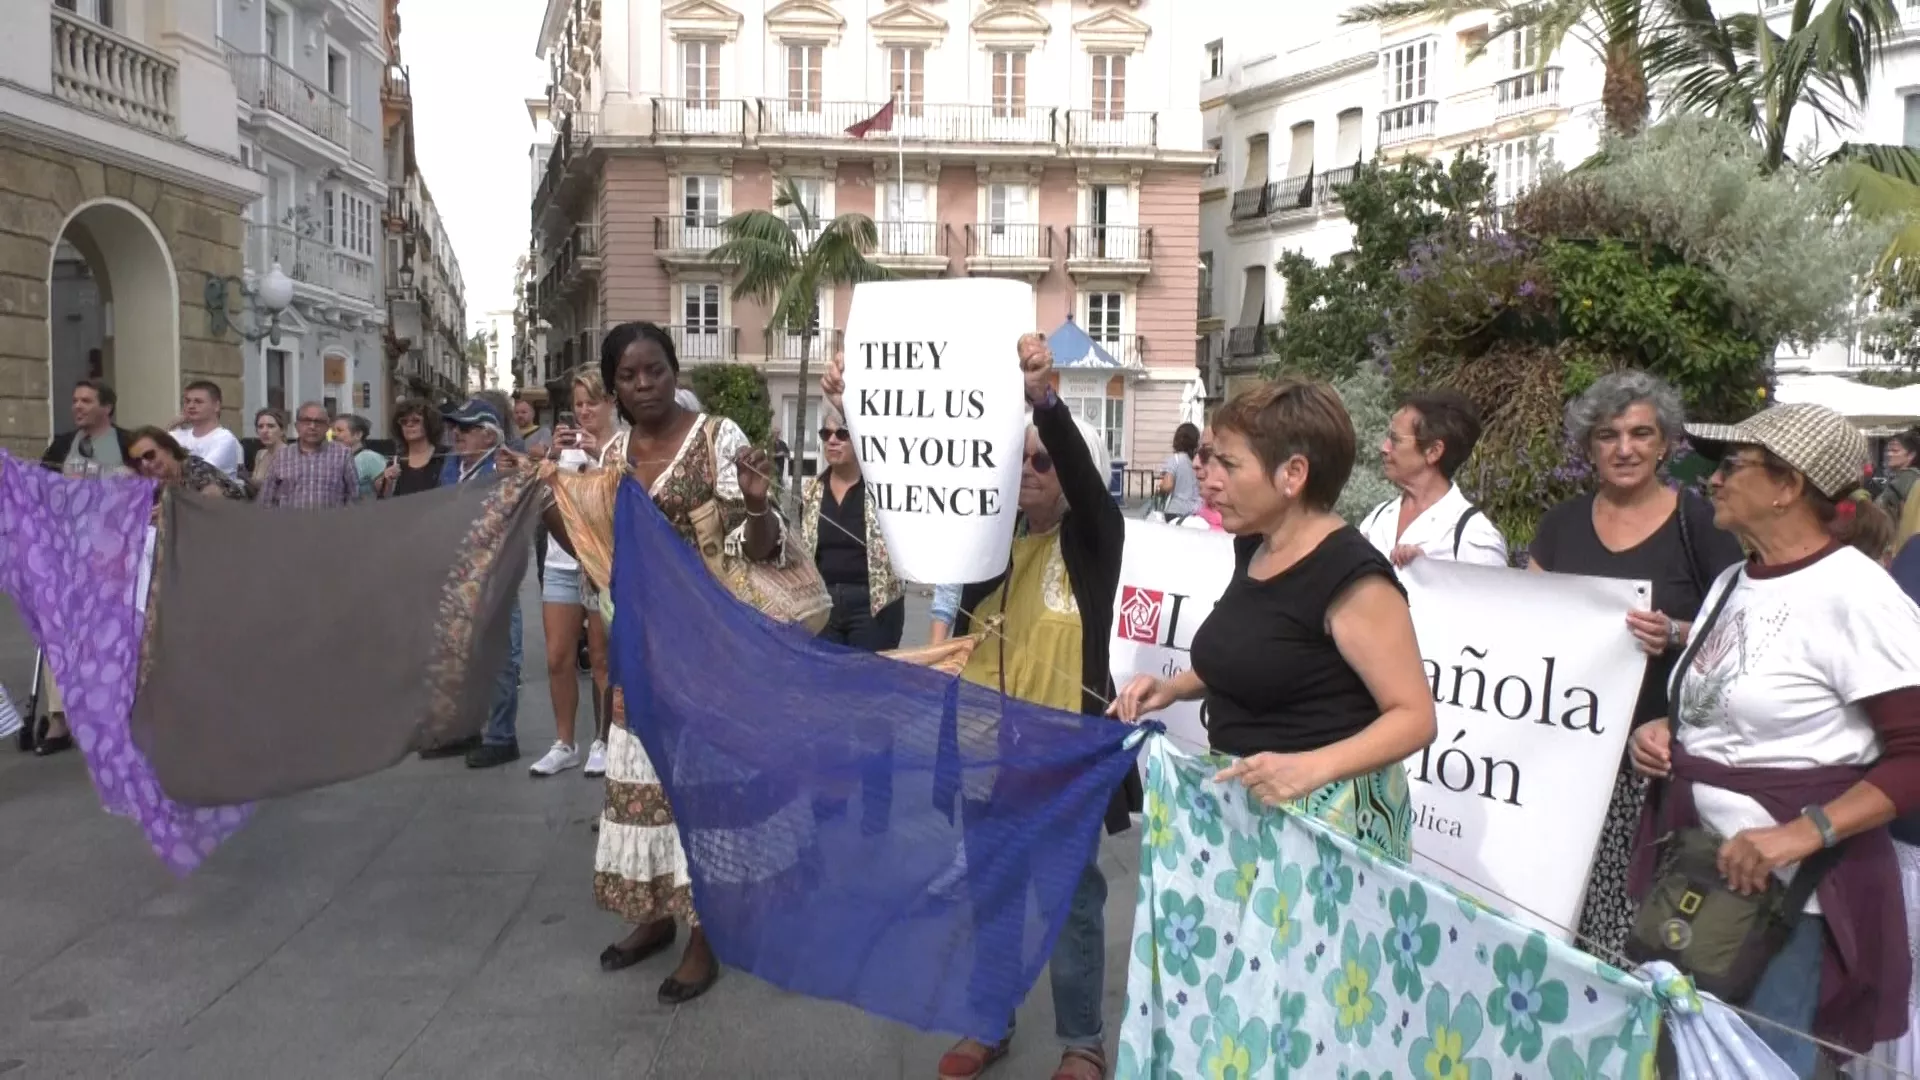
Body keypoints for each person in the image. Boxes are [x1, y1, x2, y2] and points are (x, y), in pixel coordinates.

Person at [1108, 378, 1437, 1072]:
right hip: (1258, 820)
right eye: (1208, 459)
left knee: (1307, 1028)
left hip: (1327, 837)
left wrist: (1307, 766)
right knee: (1248, 1017)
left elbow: (1415, 718)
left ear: (1293, 474)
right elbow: (1259, 655)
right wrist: (1173, 686)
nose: (1209, 476)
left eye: (1227, 463)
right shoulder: (1252, 548)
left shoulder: (1353, 575)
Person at [847, 332, 1134, 1080]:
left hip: (1063, 762)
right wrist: (858, 405)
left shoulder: (1096, 542)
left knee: (1071, 903)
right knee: (993, 896)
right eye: (1020, 459)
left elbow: (1073, 465)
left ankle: (1082, 1042)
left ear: (1072, 479)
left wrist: (1045, 399)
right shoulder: (985, 543)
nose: (1029, 471)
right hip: (983, 756)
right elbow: (917, 489)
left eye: (1042, 462)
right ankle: (989, 1022)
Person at [1629, 402, 1920, 1075]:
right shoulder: (1735, 581)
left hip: (1796, 903)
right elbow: (1724, 703)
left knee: (1761, 1062)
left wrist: (1801, 833)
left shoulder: (1855, 595)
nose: (1714, 480)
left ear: (1789, 486)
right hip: (1705, 880)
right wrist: (1665, 730)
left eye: (1732, 465)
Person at [546, 322, 779, 1005]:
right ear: (613, 389)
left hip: (713, 654)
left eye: (655, 370)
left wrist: (759, 506)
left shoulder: (718, 438)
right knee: (639, 787)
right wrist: (548, 497)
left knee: (700, 795)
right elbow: (599, 553)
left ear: (675, 371)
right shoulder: (611, 452)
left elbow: (761, 553)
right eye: (629, 376)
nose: (644, 384)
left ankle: (705, 937)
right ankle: (651, 916)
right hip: (642, 649)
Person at [1528, 369, 1745, 960]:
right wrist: (1426, 575)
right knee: (1556, 909)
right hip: (1567, 761)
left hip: (1653, 768)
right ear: (1588, 446)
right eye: (1608, 435)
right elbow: (1523, 621)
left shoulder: (1697, 524)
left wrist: (1675, 632)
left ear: (1665, 443)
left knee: (1634, 928)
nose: (1624, 448)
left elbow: (1739, 633)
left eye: (1641, 433)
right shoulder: (1559, 525)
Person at [528, 369, 626, 779]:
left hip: (601, 564)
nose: (584, 412)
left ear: (610, 404)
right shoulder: (562, 450)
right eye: (578, 404)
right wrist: (548, 460)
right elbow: (544, 497)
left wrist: (600, 452)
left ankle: (602, 740)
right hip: (560, 563)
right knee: (557, 658)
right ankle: (564, 743)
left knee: (602, 659)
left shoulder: (620, 445)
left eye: (592, 403)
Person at [799, 398, 905, 652]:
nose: (832, 440)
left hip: (874, 605)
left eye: (842, 433)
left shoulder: (883, 489)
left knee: (869, 684)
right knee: (826, 684)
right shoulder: (811, 490)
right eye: (826, 434)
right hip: (823, 606)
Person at [1360, 390, 1507, 567]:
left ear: (1433, 451)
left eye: (1395, 439)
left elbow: (1489, 594)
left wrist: (1430, 572)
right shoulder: (1378, 518)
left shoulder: (1472, 536)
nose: (1384, 447)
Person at [256, 402, 360, 509]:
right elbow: (266, 499)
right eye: (306, 421)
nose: (312, 426)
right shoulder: (282, 456)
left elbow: (354, 497)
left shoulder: (342, 455)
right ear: (297, 426)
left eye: (318, 422)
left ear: (327, 426)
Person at [126, 427, 250, 503]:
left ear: (168, 450)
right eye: (137, 461)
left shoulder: (197, 470)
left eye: (149, 455)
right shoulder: (153, 486)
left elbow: (212, 509)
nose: (145, 464)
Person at [41, 379, 133, 475]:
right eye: (75, 401)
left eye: (86, 401)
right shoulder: (60, 445)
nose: (77, 406)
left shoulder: (129, 443)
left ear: (107, 408)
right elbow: (42, 481)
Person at [169, 380, 243, 476]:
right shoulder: (176, 435)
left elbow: (202, 473)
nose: (191, 406)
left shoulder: (224, 438)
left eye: (198, 402)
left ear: (216, 406)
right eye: (187, 401)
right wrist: (172, 424)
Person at [378, 399, 444, 498]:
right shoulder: (396, 462)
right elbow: (385, 504)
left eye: (416, 420)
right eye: (404, 421)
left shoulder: (445, 456)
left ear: (429, 424)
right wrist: (387, 484)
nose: (409, 425)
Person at [331, 414, 387, 500]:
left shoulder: (369, 458)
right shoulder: (337, 460)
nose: (334, 435)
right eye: (333, 430)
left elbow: (386, 492)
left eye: (339, 430)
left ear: (358, 434)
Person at [1156, 422, 1202, 521]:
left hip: (1176, 510)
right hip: (1196, 510)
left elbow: (1168, 486)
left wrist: (1160, 487)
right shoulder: (1198, 461)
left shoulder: (1175, 460)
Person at [245, 408, 289, 496]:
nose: (265, 431)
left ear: (282, 430)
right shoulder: (260, 454)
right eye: (260, 426)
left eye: (271, 426)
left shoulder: (289, 455)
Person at [1880, 431, 1920, 522]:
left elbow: (1878, 509)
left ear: (1911, 455)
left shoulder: (1906, 478)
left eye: (1895, 451)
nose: (1889, 454)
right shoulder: (1912, 476)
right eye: (1888, 450)